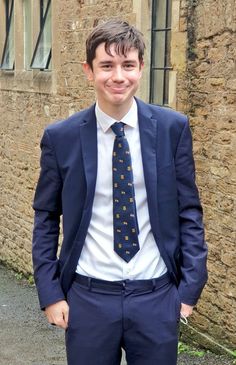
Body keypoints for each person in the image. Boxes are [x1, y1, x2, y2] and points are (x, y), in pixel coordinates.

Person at [32, 19, 208, 365]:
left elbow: (189, 211)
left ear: (141, 67)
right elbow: (46, 217)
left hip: (156, 297)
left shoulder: (172, 129)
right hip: (89, 299)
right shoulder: (61, 137)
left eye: (128, 65)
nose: (118, 76)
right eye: (106, 66)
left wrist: (188, 290)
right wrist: (51, 293)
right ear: (89, 70)